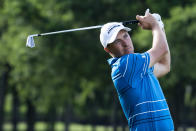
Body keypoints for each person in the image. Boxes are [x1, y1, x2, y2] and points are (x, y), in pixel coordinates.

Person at [100, 10, 174, 131]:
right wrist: (155, 25)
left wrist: (160, 27)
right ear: (108, 49)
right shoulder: (126, 64)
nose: (125, 43)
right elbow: (161, 49)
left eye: (125, 36)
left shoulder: (139, 66)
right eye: (118, 41)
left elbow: (165, 65)